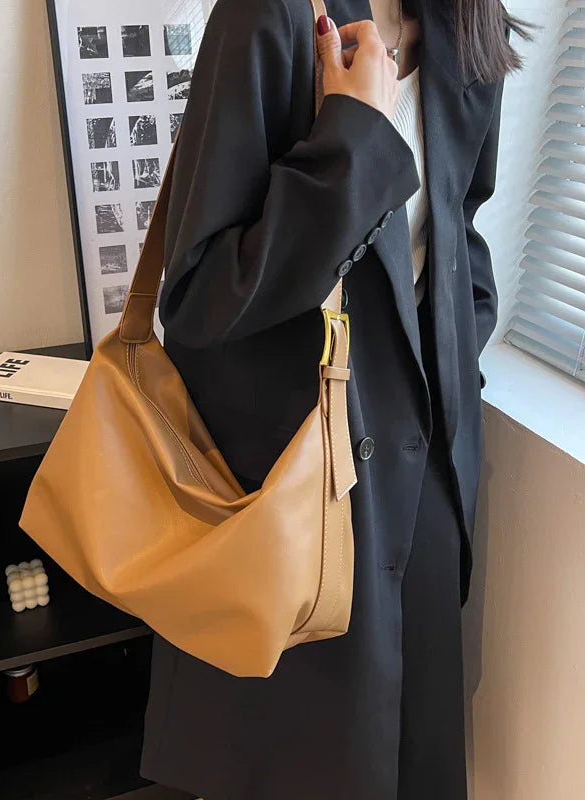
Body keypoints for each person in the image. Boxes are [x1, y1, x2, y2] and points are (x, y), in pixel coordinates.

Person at [138, 0, 536, 798]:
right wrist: (351, 140)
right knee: (306, 767)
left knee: (413, 762)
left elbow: (457, 231)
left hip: (421, 478)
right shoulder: (273, 15)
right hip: (294, 485)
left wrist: (451, 378)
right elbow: (200, 299)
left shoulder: (467, 25)